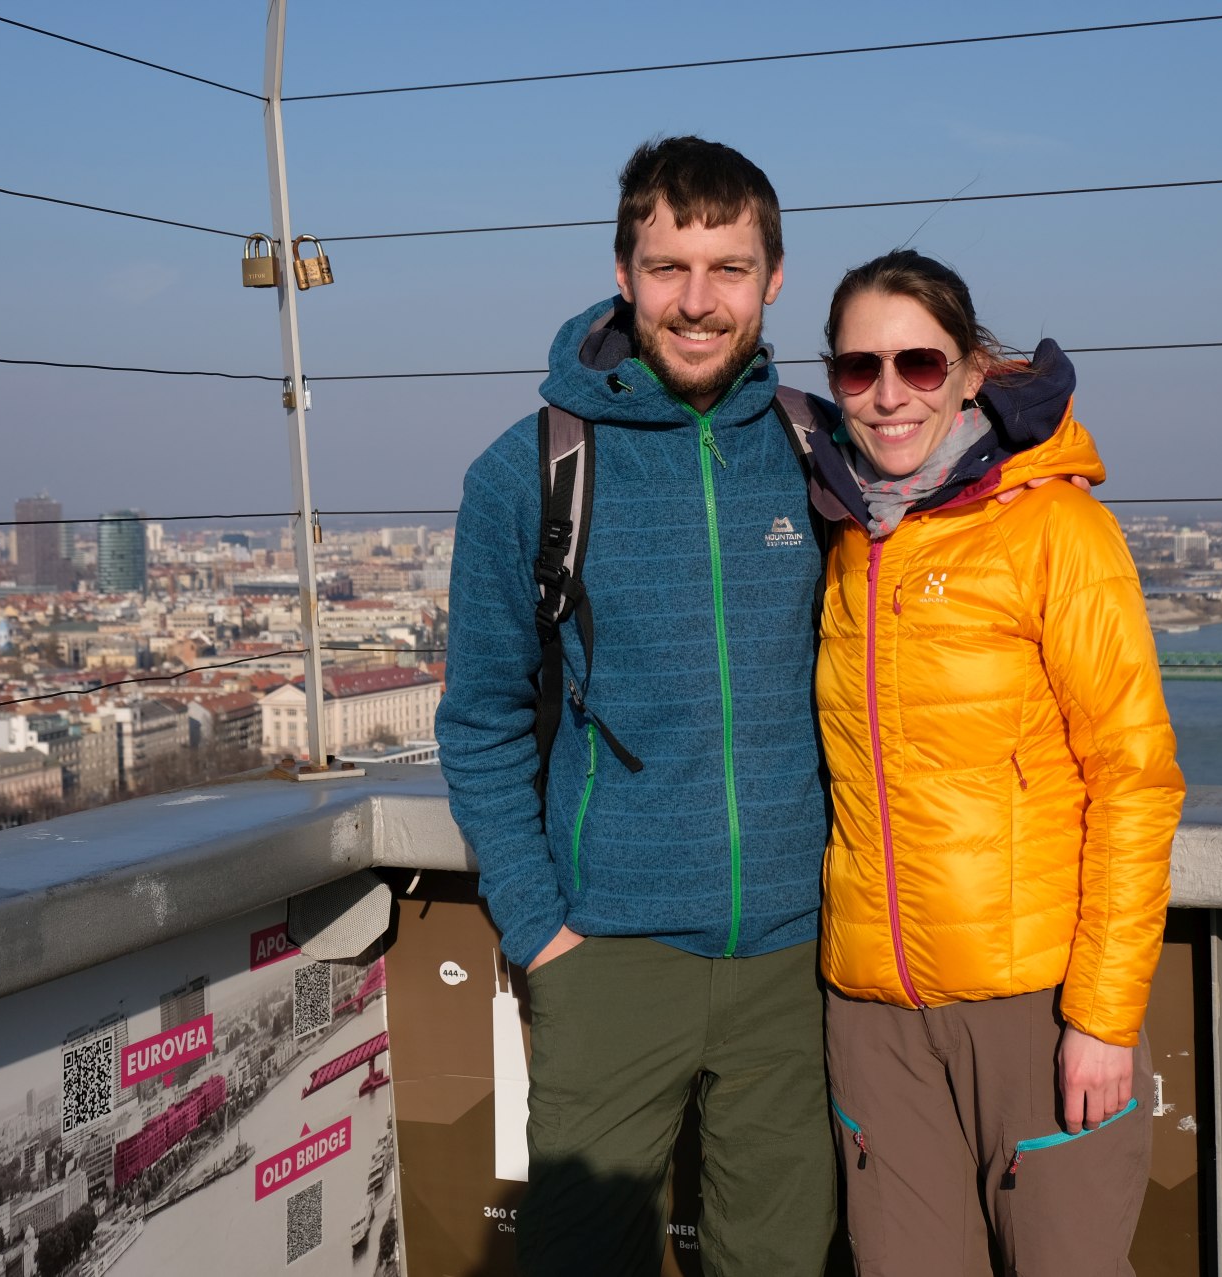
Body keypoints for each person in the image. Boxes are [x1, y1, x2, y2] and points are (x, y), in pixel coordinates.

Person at [435, 137, 835, 1275]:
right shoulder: (532, 470)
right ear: (623, 272)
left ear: (774, 279)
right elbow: (480, 718)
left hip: (799, 962)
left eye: (729, 268)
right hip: (605, 953)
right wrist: (543, 934)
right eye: (669, 267)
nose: (698, 302)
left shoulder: (821, 450)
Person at [802, 249, 1185, 1275]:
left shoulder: (1057, 528)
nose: (889, 396)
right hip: (875, 1019)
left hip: (1035, 1006)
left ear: (972, 371)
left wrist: (1102, 1017)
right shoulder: (846, 535)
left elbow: (1136, 779)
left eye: (920, 365)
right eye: (858, 368)